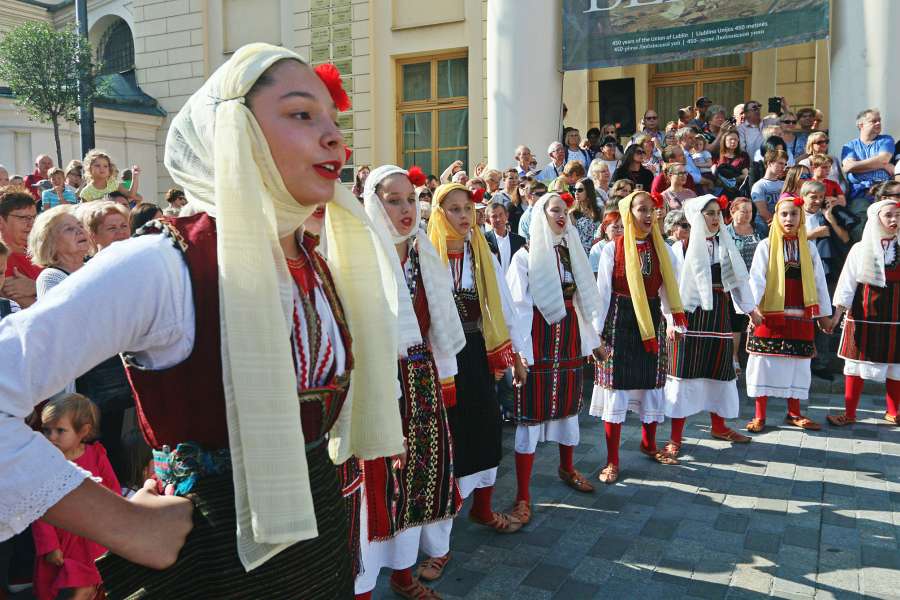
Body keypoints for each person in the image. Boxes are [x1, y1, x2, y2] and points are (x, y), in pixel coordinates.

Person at [0, 44, 411, 598]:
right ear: (233, 132)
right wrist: (121, 522)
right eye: (301, 114)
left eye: (334, 122)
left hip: (317, 544)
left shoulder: (314, 260)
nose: (335, 138)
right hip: (212, 560)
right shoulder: (163, 263)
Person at [356, 166, 466, 599]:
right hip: (378, 380)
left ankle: (403, 576)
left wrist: (444, 374)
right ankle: (363, 587)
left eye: (410, 199)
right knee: (376, 487)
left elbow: (437, 322)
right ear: (372, 202)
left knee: (419, 481)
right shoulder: (362, 255)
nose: (406, 208)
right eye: (393, 200)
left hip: (422, 379)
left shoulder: (423, 252)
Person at [426, 183, 527, 543]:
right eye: (454, 209)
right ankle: (440, 541)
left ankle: (482, 508)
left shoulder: (480, 252)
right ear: (438, 214)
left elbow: (503, 304)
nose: (464, 216)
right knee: (449, 436)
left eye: (468, 208)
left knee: (486, 426)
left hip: (476, 350)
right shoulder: (426, 253)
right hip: (440, 355)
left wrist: (516, 354)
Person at [505, 193, 603, 525]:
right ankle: (522, 495)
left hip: (570, 339)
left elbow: (581, 303)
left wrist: (593, 343)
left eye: (565, 211)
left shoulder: (571, 252)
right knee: (530, 415)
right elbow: (517, 309)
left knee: (567, 409)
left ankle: (567, 467)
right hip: (538, 340)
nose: (561, 216)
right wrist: (520, 356)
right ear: (540, 215)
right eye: (554, 210)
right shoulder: (524, 256)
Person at [590, 191, 688, 483]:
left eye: (651, 210)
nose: (647, 215)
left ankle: (649, 444)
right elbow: (602, 293)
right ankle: (612, 460)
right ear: (628, 213)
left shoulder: (663, 250)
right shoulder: (613, 249)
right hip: (619, 320)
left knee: (650, 384)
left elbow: (670, 289)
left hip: (652, 321)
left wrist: (673, 321)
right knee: (616, 388)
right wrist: (596, 335)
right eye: (641, 209)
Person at [664, 195, 755, 456]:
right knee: (684, 373)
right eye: (710, 213)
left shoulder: (724, 245)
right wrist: (671, 320)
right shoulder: (679, 248)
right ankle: (675, 437)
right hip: (688, 317)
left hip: (719, 315)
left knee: (720, 370)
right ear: (696, 217)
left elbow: (737, 280)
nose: (716, 218)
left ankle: (719, 426)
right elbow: (669, 289)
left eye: (718, 213)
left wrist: (751, 310)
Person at [745, 197, 833, 433]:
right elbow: (757, 279)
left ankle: (794, 413)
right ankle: (759, 415)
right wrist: (752, 309)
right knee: (764, 363)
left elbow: (819, 282)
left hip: (801, 315)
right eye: (784, 214)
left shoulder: (809, 248)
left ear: (801, 217)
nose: (789, 219)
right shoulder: (766, 246)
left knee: (798, 365)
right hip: (770, 316)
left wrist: (824, 315)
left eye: (794, 214)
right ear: (776, 217)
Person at [32, 394, 121, 600]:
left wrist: (113, 529)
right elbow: (38, 508)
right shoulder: (45, 463)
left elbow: (113, 492)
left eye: (60, 430)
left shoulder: (96, 455)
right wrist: (50, 545)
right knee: (59, 587)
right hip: (62, 539)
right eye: (46, 430)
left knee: (89, 586)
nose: (51, 437)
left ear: (83, 431)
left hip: (92, 537)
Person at [828, 197, 900, 427]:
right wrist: (836, 316)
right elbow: (846, 285)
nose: (894, 220)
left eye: (898, 216)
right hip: (863, 317)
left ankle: (894, 412)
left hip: (896, 318)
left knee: (896, 365)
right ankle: (849, 413)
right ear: (876, 219)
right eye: (888, 215)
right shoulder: (860, 249)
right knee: (854, 365)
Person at [801, 179, 854, 380]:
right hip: (799, 271)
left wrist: (830, 218)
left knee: (824, 314)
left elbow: (846, 239)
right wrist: (811, 234)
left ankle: (820, 362)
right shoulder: (793, 214)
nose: (817, 201)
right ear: (803, 197)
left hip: (826, 271)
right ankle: (802, 357)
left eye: (820, 197)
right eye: (813, 196)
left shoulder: (828, 215)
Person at [726, 198, 761, 370]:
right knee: (736, 321)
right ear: (732, 212)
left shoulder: (759, 229)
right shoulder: (725, 233)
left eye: (750, 211)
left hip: (756, 282)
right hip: (734, 282)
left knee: (754, 318)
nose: (748, 215)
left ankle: (754, 356)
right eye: (743, 211)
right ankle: (734, 358)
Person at [29, 206, 89, 302]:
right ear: (50, 241)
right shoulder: (51, 277)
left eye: (81, 225)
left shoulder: (94, 267)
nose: (80, 231)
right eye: (69, 229)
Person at [841, 108, 895, 203]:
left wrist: (857, 165)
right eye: (874, 121)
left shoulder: (886, 140)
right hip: (860, 192)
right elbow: (848, 167)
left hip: (884, 190)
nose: (878, 123)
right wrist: (883, 165)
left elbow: (884, 159)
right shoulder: (849, 146)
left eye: (879, 120)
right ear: (861, 125)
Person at [0, 189, 40, 308]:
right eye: (23, 218)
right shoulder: (3, 259)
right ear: (1, 221)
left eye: (33, 217)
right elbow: (37, 311)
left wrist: (36, 286)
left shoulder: (42, 249)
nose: (31, 224)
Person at [751, 149, 788, 232]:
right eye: (780, 163)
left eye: (784, 164)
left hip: (782, 227)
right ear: (769, 163)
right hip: (764, 229)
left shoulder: (784, 184)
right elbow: (763, 212)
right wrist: (780, 226)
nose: (783, 167)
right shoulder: (759, 185)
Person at [485, 202, 525, 275]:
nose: (498, 219)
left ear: (507, 216)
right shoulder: (484, 240)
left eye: (501, 215)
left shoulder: (519, 241)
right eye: (494, 216)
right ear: (488, 221)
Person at [571, 178, 601, 254]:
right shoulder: (572, 213)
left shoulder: (599, 210)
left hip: (597, 251)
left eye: (580, 190)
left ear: (588, 191)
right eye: (574, 190)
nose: (576, 193)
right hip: (581, 253)